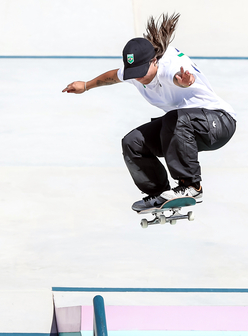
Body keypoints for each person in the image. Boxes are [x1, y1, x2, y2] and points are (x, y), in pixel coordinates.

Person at [63, 13, 236, 212]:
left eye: (142, 73)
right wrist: (85, 85)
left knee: (174, 118)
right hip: (183, 130)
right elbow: (112, 76)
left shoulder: (171, 66)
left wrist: (184, 82)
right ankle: (159, 194)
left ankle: (191, 186)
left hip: (219, 122)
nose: (139, 79)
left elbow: (179, 76)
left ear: (154, 61)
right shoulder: (136, 71)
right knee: (133, 142)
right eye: (133, 75)